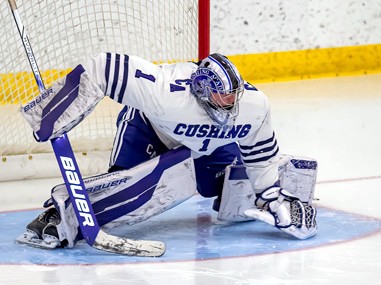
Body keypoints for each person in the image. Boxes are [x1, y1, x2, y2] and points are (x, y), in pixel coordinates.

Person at [16, 52, 318, 250]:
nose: (229, 104)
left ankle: (280, 203)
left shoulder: (253, 106)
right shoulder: (167, 93)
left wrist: (272, 196)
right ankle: (60, 213)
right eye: (220, 96)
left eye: (232, 96)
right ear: (200, 90)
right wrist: (55, 109)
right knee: (129, 195)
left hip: (208, 143)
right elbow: (104, 67)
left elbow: (261, 156)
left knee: (232, 187)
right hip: (149, 130)